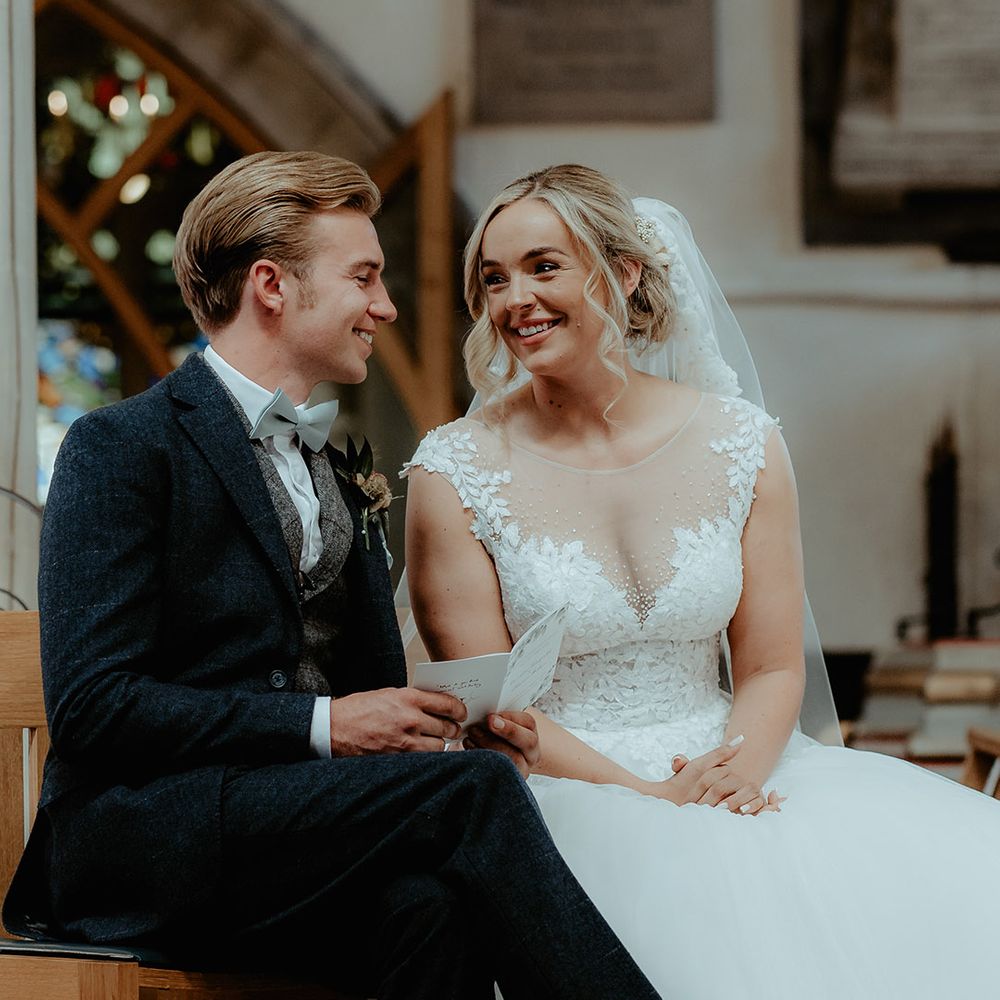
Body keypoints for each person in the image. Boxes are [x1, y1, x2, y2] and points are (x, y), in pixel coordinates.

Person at [2, 151, 665, 1000]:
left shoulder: (339, 473)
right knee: (473, 795)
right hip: (145, 840)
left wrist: (437, 723)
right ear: (272, 286)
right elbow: (96, 710)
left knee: (430, 903)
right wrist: (324, 725)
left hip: (290, 833)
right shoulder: (122, 448)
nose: (385, 306)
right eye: (364, 278)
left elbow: (373, 698)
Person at [402, 163, 1000, 999]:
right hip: (560, 796)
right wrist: (650, 798)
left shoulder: (742, 442)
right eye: (494, 279)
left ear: (625, 272)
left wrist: (734, 774)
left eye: (545, 266)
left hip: (737, 770)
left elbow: (771, 666)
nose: (515, 301)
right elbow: (496, 712)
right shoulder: (453, 471)